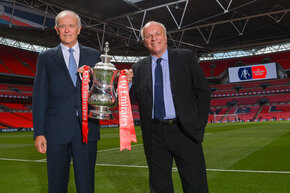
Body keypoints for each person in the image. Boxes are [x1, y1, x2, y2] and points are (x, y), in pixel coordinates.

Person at [126, 21, 211, 193]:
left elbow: (203, 91)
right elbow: (130, 98)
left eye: (157, 34)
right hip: (154, 133)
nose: (153, 39)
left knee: (195, 184)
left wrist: (198, 123)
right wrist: (126, 83)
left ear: (165, 37)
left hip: (184, 130)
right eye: (148, 36)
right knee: (159, 186)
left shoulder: (185, 57)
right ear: (144, 41)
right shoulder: (138, 68)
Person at [33, 10, 100, 193]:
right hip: (55, 131)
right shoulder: (45, 57)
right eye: (62, 26)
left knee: (86, 185)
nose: (67, 30)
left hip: (86, 130)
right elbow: (40, 96)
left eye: (71, 26)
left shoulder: (94, 55)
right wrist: (39, 132)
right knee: (56, 185)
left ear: (79, 29)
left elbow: (103, 89)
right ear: (56, 29)